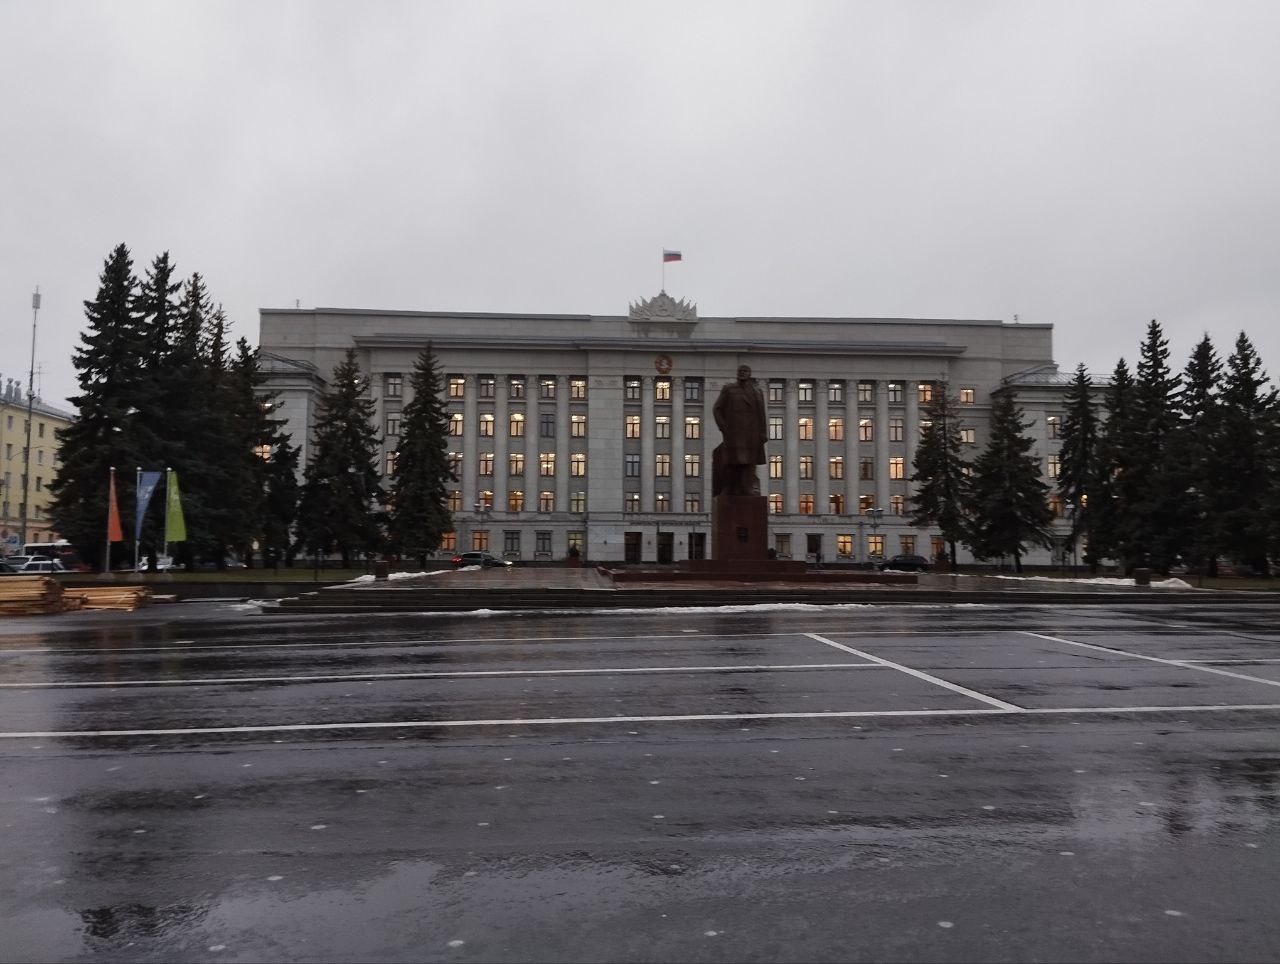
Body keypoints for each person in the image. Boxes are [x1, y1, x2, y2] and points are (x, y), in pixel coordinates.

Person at [712, 364, 767, 497]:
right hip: (734, 432)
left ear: (750, 374)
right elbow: (717, 409)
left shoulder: (757, 392)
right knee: (732, 461)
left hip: (752, 433)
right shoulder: (729, 389)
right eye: (740, 371)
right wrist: (724, 427)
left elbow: (761, 414)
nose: (742, 373)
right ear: (737, 373)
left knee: (750, 462)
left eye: (745, 371)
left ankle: (747, 487)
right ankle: (728, 487)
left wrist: (763, 433)